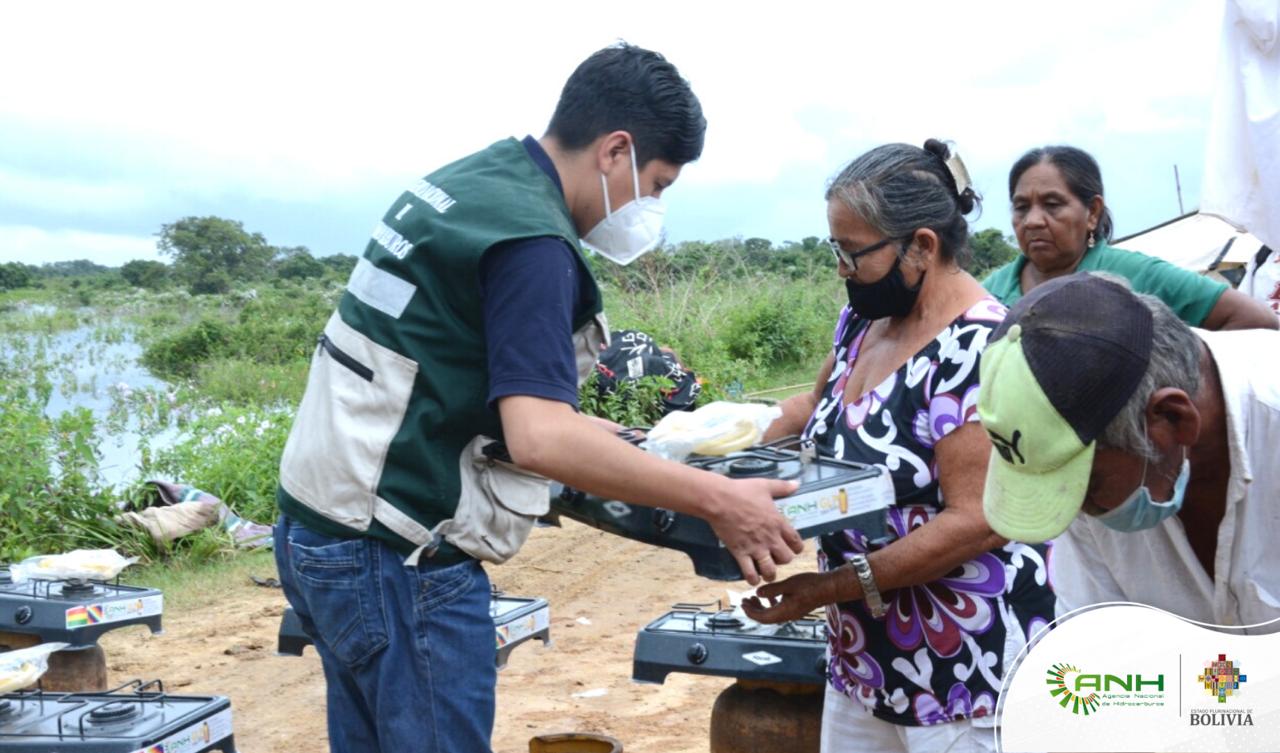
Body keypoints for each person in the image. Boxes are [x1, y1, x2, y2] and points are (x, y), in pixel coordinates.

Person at [272, 44, 803, 753]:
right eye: (657, 184)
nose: (653, 207)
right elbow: (540, 438)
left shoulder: (469, 185)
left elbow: (445, 364)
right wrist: (719, 500)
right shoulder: (533, 243)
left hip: (318, 524)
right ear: (616, 150)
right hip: (397, 553)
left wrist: (599, 433)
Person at [743, 140, 1055, 753]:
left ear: (922, 246)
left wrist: (825, 590)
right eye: (835, 248)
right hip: (866, 660)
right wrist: (709, 442)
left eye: (852, 252)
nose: (841, 268)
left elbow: (975, 521)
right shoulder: (866, 320)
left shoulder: (981, 346)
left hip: (964, 668)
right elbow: (820, 407)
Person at [979, 272, 1280, 632]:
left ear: (1171, 419)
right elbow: (1097, 639)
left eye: (1086, 487)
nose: (1072, 509)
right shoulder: (1082, 460)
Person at [982, 145, 1278, 330]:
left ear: (1092, 212)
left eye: (1052, 204)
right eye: (1021, 207)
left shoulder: (1138, 275)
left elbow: (1259, 321)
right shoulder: (989, 294)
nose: (1033, 220)